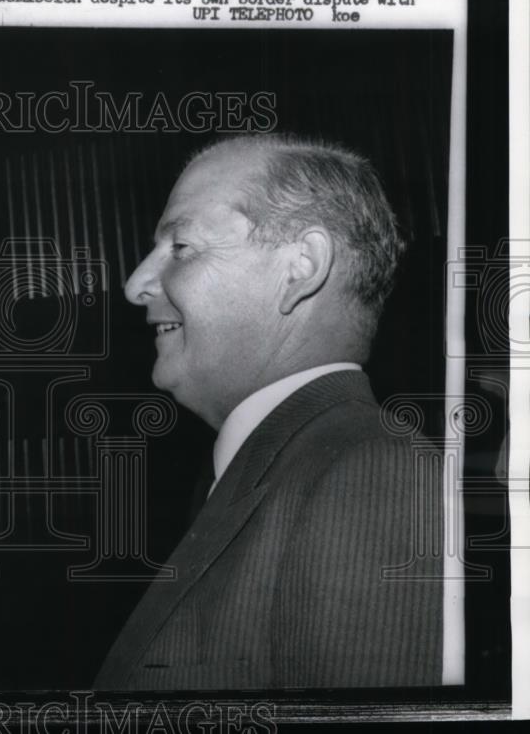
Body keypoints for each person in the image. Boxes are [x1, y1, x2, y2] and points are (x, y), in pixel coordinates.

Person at [96, 134, 443, 690]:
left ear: (301, 266)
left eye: (181, 247)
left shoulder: (371, 478)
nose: (137, 283)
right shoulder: (264, 469)